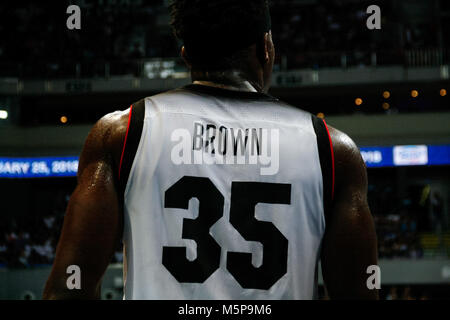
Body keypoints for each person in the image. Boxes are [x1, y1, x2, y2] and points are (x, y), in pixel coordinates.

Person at [43, 0, 378, 300]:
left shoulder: (122, 134)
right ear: (265, 48)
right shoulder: (333, 150)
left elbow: (67, 289)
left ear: (186, 54)